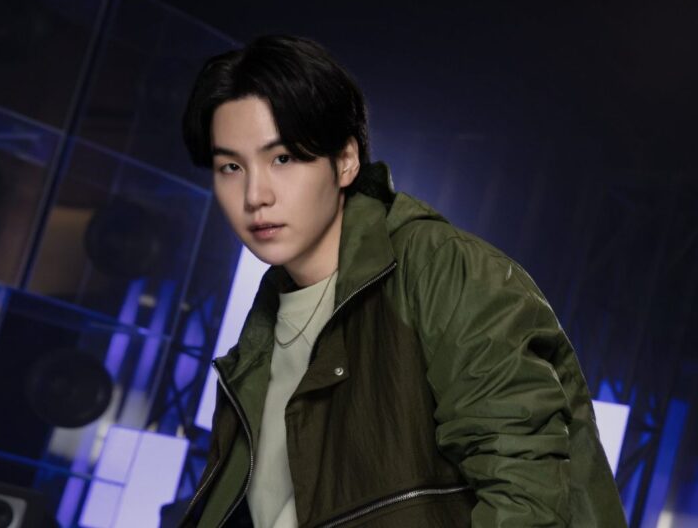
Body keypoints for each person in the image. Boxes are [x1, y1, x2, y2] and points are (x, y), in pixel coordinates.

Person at [178, 34, 627, 528]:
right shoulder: (260, 336)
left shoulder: (444, 272)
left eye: (282, 158)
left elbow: (527, 498)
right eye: (231, 167)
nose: (254, 195)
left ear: (345, 160)